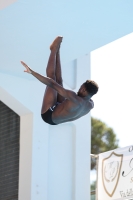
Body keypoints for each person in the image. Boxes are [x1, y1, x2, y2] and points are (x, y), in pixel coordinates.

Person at [21, 36, 99, 125]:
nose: (79, 89)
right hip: (58, 117)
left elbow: (51, 83)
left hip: (48, 114)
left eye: (81, 87)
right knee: (59, 81)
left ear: (84, 90)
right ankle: (57, 51)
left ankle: (53, 49)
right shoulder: (90, 106)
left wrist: (32, 72)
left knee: (53, 79)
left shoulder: (74, 98)